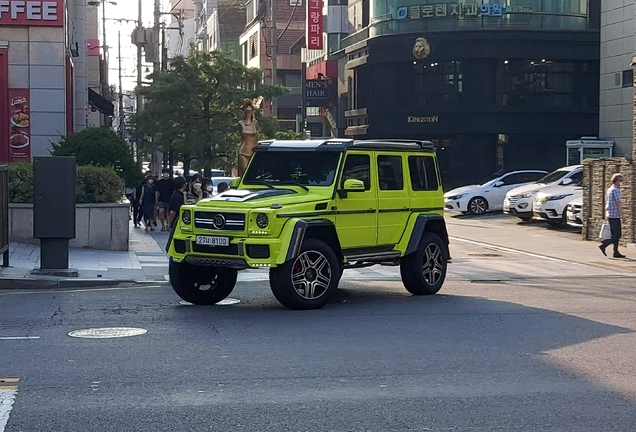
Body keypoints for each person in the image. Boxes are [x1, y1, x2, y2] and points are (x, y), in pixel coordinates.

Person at [600, 173, 626, 258]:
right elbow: (618, 203)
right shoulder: (615, 190)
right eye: (620, 181)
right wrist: (622, 215)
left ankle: (616, 252)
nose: (621, 182)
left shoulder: (609, 189)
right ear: (616, 181)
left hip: (610, 214)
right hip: (615, 215)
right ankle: (605, 244)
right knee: (618, 234)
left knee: (614, 234)